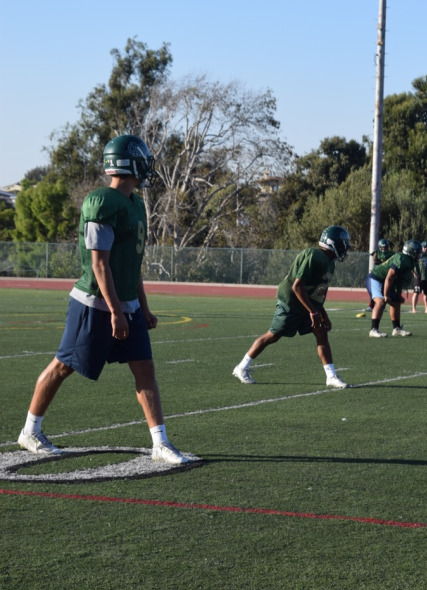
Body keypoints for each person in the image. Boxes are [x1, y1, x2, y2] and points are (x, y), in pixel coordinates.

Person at [18, 135, 195, 465]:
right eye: (143, 160)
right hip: (94, 304)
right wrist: (115, 311)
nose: (147, 166)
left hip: (126, 304)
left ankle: (161, 442)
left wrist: (143, 306)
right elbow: (99, 263)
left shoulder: (135, 203)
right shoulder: (102, 201)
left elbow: (132, 265)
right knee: (62, 366)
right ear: (129, 163)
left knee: (145, 370)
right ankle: (30, 431)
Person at [232, 226, 351, 388]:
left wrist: (322, 313)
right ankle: (241, 367)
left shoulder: (330, 264)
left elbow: (318, 292)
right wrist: (314, 312)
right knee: (272, 336)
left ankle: (331, 376)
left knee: (321, 332)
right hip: (291, 302)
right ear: (333, 244)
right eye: (343, 243)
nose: (345, 247)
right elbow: (297, 287)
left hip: (307, 303)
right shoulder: (314, 255)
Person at [366, 240, 421, 338]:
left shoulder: (410, 262)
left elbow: (399, 280)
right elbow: (389, 277)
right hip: (376, 278)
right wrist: (386, 295)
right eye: (417, 252)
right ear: (410, 251)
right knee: (381, 301)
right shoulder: (401, 258)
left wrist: (399, 294)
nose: (419, 255)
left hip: (385, 281)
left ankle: (396, 329)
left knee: (396, 302)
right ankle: (373, 329)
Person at [365, 238, 393, 310]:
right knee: (374, 291)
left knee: (384, 290)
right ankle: (371, 305)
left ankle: (382, 306)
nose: (383, 248)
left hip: (386, 275)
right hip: (377, 274)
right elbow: (375, 261)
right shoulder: (376, 253)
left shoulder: (391, 253)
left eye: (385, 247)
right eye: (382, 247)